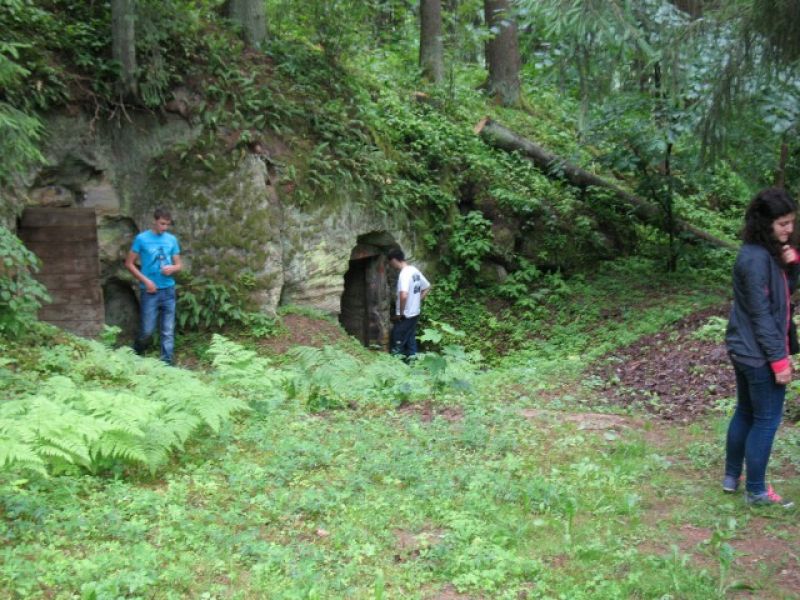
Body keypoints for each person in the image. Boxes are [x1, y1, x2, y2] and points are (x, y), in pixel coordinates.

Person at [723, 187, 799, 508]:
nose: (789, 229)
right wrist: (779, 361)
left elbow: (783, 297)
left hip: (745, 348)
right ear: (764, 222)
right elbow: (762, 315)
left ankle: (732, 477)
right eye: (782, 223)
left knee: (746, 411)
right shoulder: (755, 260)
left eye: (791, 222)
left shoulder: (764, 253)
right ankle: (756, 491)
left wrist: (791, 266)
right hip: (757, 353)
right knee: (766, 419)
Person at [125, 208, 182, 365]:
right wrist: (146, 281)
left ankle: (167, 364)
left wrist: (173, 268)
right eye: (162, 224)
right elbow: (129, 264)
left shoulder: (171, 239)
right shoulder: (141, 239)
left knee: (168, 331)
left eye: (167, 224)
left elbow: (179, 265)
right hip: (150, 292)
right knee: (147, 331)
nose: (164, 227)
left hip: (168, 290)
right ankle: (135, 354)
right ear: (154, 221)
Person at [387, 247, 431, 359]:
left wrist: (401, 313)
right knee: (410, 339)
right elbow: (427, 287)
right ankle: (413, 362)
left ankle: (397, 363)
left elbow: (404, 295)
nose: (391, 265)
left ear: (394, 260)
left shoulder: (404, 274)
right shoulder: (414, 270)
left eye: (391, 262)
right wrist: (417, 300)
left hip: (406, 315)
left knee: (397, 339)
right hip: (415, 313)